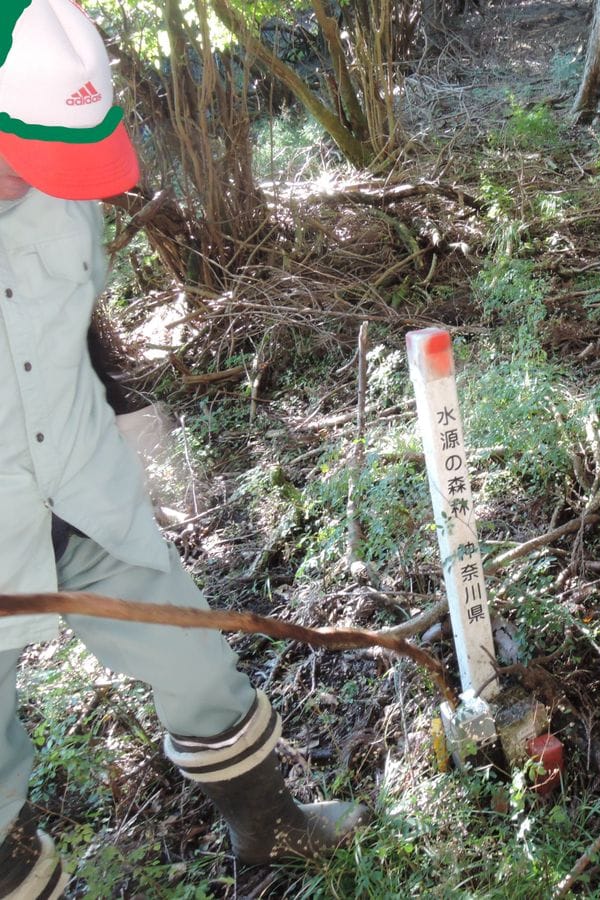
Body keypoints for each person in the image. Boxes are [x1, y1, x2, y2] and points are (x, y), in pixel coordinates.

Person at [0, 3, 368, 897]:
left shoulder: (63, 205)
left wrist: (137, 433)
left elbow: (73, 329)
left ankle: (271, 829)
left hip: (80, 492)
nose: (45, 182)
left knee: (196, 659)